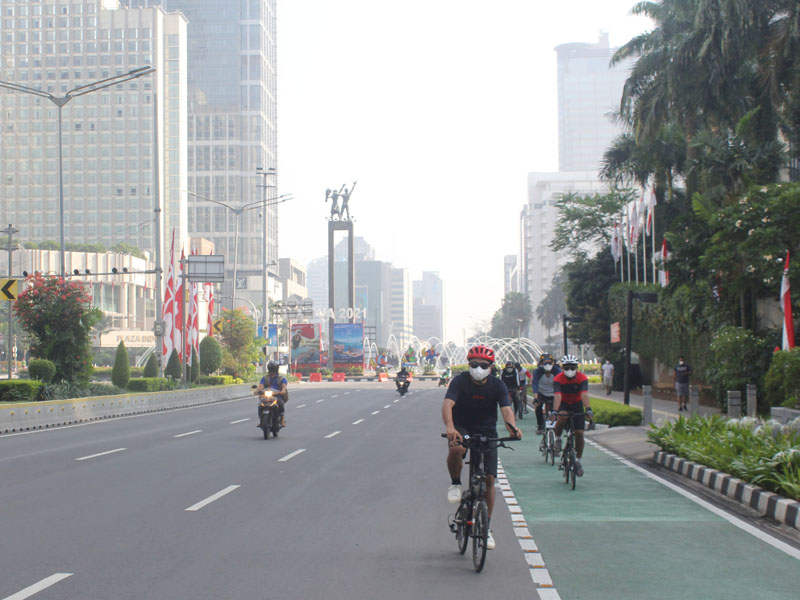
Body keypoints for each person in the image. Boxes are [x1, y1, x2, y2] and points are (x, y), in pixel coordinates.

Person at [442, 344, 521, 551]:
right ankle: (456, 483)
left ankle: (486, 528)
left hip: (487, 431)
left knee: (489, 480)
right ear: (469, 364)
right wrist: (450, 427)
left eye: (483, 365)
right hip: (462, 427)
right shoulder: (459, 381)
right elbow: (448, 404)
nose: (478, 368)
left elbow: (506, 409)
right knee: (456, 449)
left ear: (491, 367)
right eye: (474, 364)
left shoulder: (498, 385)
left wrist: (512, 428)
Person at [553, 355, 592, 477]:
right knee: (562, 416)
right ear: (562, 368)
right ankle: (558, 438)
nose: (570, 369)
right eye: (567, 367)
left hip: (576, 405)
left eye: (572, 367)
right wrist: (555, 411)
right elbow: (558, 396)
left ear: (576, 367)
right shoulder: (558, 379)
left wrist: (588, 409)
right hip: (563, 404)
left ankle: (578, 461)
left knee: (579, 434)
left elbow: (584, 394)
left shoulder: (582, 378)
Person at [532, 354, 561, 434]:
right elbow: (535, 385)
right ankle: (540, 426)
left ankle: (554, 425)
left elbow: (561, 383)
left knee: (555, 410)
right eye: (545, 363)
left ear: (552, 363)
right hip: (541, 393)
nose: (547, 365)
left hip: (553, 393)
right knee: (538, 408)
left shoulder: (556, 371)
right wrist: (536, 398)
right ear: (541, 363)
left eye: (549, 362)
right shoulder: (538, 372)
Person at [255, 361, 288, 427]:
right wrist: (257, 391)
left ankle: (282, 420)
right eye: (271, 368)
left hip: (277, 395)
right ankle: (261, 420)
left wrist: (282, 391)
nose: (272, 371)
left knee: (280, 403)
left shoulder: (281, 378)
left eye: (273, 368)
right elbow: (261, 386)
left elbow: (284, 386)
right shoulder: (265, 378)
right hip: (266, 395)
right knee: (260, 405)